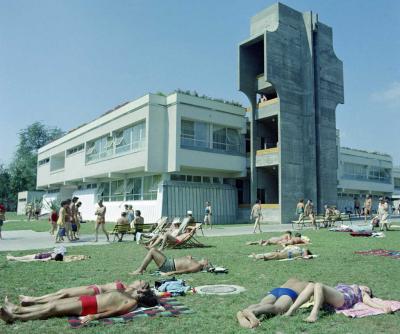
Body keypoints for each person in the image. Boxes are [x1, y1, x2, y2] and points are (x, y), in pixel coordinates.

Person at [0, 285, 158, 324]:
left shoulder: (131, 302)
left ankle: (15, 317)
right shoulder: (130, 293)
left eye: (143, 290)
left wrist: (95, 316)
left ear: (143, 296)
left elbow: (115, 311)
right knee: (54, 303)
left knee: (52, 309)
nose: (141, 288)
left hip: (89, 307)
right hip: (87, 300)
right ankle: (17, 309)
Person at [284, 282, 392, 323]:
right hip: (333, 297)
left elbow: (370, 303)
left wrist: (382, 307)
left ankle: (314, 314)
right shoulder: (350, 285)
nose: (365, 287)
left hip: (343, 300)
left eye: (368, 289)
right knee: (312, 285)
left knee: (318, 285)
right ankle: (291, 310)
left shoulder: (362, 293)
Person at [236, 278, 310, 329]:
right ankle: (253, 311)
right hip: (291, 293)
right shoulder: (309, 284)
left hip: (277, 290)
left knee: (261, 304)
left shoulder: (293, 279)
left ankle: (244, 312)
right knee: (277, 308)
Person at [19, 280, 149, 305]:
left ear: (141, 288)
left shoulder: (128, 291)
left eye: (141, 282)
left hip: (94, 292)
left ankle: (32, 300)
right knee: (62, 293)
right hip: (93, 288)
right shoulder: (126, 287)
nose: (139, 281)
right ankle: (33, 299)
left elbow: (111, 294)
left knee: (63, 295)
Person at [130, 248, 209, 276]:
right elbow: (185, 263)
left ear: (205, 265)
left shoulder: (198, 266)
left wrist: (172, 273)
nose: (204, 259)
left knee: (153, 250)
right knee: (153, 250)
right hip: (169, 262)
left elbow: (186, 271)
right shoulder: (196, 263)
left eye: (206, 261)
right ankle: (151, 254)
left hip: (169, 266)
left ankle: (140, 270)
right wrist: (188, 258)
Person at [248, 246, 313, 261]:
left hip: (288, 254)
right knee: (274, 253)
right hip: (287, 252)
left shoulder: (304, 251)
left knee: (276, 255)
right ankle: (257, 256)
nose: (305, 248)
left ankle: (264, 258)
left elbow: (306, 257)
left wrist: (308, 256)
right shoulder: (301, 250)